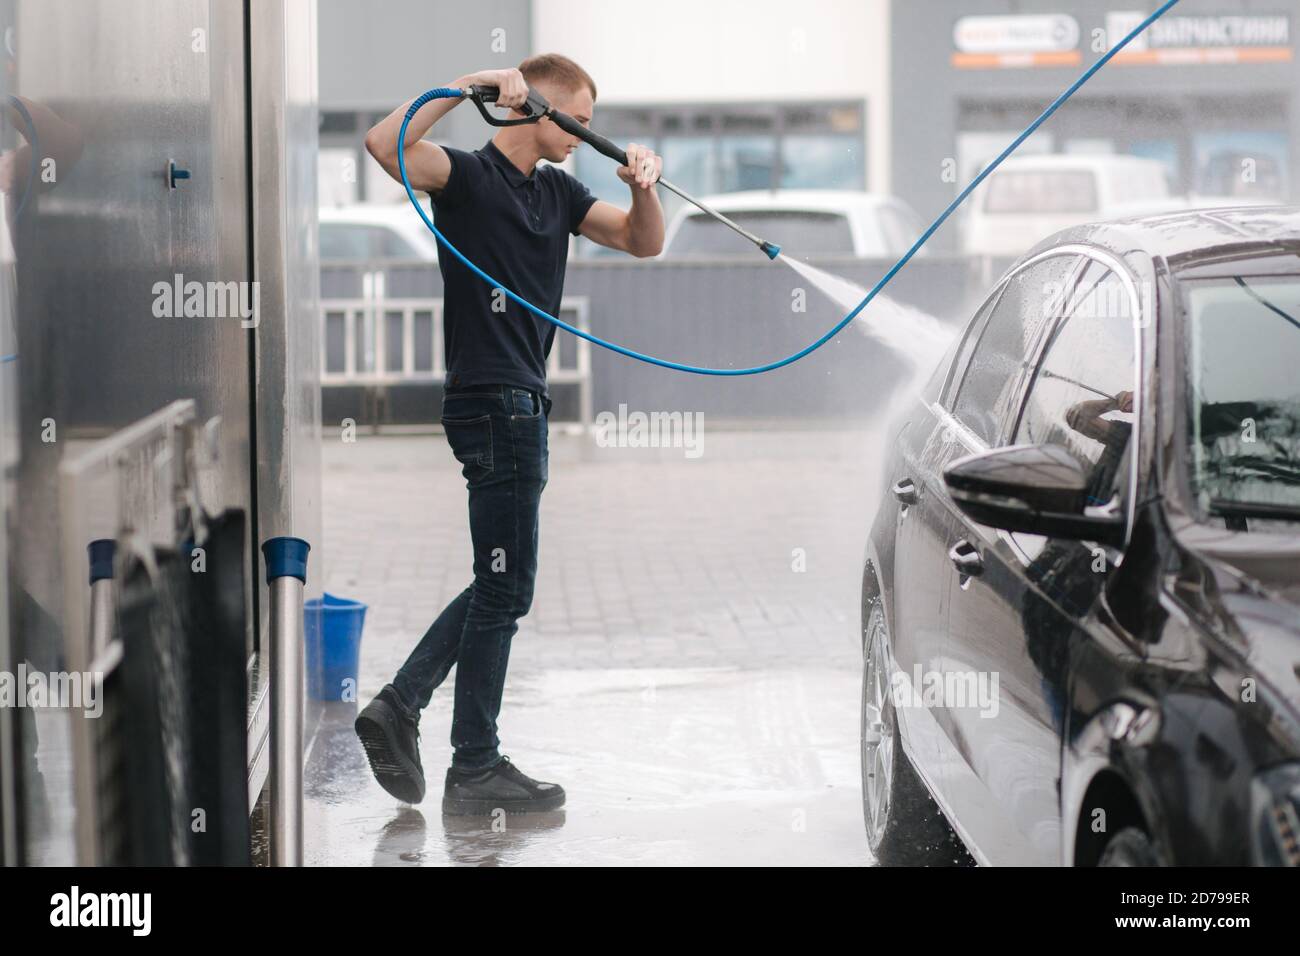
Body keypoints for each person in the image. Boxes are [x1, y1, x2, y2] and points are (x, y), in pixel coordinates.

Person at [355, 54, 664, 814]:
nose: (587, 138)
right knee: (506, 586)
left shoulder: (558, 191)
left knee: (503, 583)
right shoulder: (464, 177)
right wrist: (470, 87)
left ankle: (414, 715)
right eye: (579, 123)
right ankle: (468, 760)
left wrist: (642, 190)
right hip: (493, 402)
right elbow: (380, 143)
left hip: (520, 403)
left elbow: (640, 241)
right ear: (540, 112)